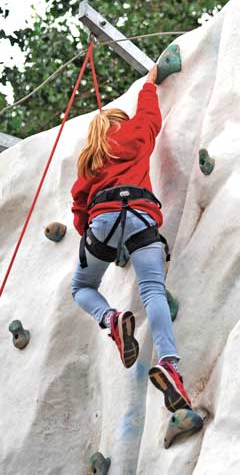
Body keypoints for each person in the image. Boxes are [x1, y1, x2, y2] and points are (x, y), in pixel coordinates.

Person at [70, 65, 191, 413]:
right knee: (152, 290)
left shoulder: (89, 162)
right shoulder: (135, 134)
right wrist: (150, 83)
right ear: (120, 124)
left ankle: (111, 319)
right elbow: (150, 116)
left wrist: (98, 243)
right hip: (141, 216)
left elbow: (79, 208)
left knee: (81, 287)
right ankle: (169, 363)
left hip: (102, 221)